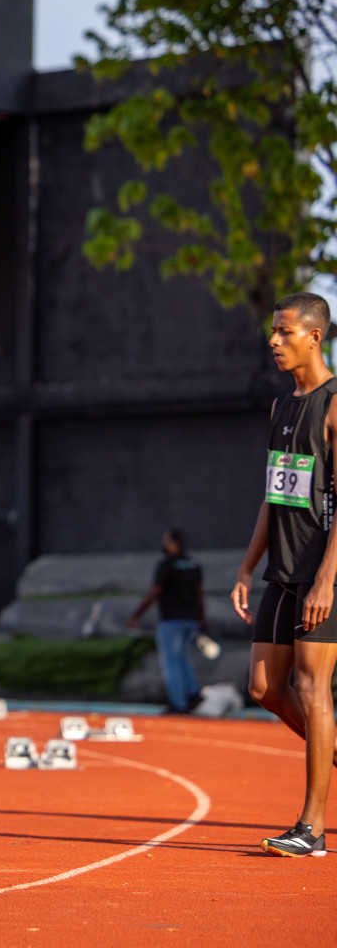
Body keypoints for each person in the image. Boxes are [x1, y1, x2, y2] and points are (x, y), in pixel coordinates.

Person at [231, 291, 337, 858]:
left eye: (285, 332)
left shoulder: (335, 403)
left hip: (326, 574)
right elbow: (276, 496)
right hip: (282, 570)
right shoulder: (280, 408)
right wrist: (248, 566)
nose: (273, 341)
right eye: (273, 332)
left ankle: (313, 829)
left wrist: (326, 580)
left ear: (315, 337)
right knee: (266, 689)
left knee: (311, 686)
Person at [127, 528, 205, 714]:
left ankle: (178, 703)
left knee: (171, 661)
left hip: (172, 619)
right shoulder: (194, 564)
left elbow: (156, 590)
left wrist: (137, 614)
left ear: (171, 542)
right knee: (181, 657)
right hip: (191, 618)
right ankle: (193, 692)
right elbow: (199, 594)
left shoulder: (166, 564)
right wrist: (202, 618)